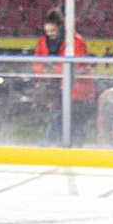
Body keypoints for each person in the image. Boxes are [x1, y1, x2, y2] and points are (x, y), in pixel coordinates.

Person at [34, 8, 96, 147]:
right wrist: (44, 73)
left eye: (53, 31)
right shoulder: (43, 42)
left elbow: (76, 64)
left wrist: (54, 70)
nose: (50, 34)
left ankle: (70, 144)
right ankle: (52, 141)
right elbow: (37, 62)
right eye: (47, 31)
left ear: (60, 28)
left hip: (77, 89)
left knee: (75, 119)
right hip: (56, 87)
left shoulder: (75, 41)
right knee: (58, 115)